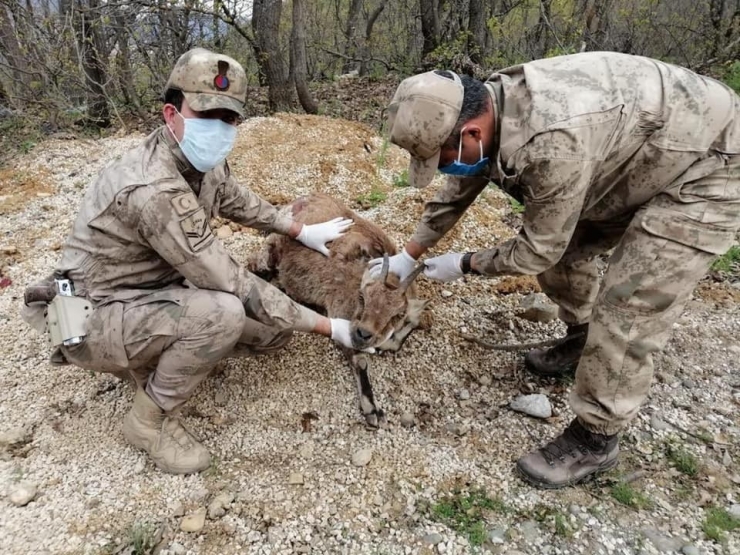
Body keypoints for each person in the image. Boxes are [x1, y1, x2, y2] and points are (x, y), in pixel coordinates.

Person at [370, 52, 740, 488]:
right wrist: (410, 253)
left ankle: (596, 438)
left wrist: (465, 263)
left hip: (711, 165)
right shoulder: (489, 107)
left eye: (442, 157)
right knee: (568, 259)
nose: (444, 168)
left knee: (630, 302)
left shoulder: (552, 142)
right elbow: (461, 185)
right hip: (636, 153)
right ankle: (584, 337)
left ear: (471, 132)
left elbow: (536, 251)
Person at [21, 48, 364, 475]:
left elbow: (234, 198)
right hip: (91, 315)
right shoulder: (153, 188)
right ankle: (148, 421)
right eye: (207, 114)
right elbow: (226, 278)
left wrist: (297, 229)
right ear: (171, 113)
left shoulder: (196, 160)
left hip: (150, 289)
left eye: (229, 118)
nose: (220, 128)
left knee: (273, 334)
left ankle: (164, 350)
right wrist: (331, 327)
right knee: (222, 313)